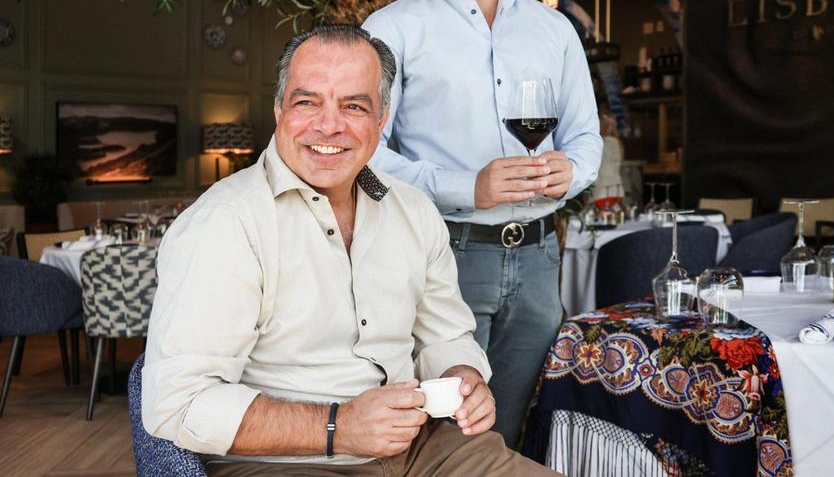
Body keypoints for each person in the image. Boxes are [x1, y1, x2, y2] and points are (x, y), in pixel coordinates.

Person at [142, 25, 559, 476]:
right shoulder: (224, 225)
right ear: (280, 108)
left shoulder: (414, 211)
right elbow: (177, 405)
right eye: (307, 101)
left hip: (425, 449)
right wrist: (338, 428)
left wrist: (464, 374)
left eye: (354, 106)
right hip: (282, 462)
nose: (329, 125)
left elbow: (445, 335)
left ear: (381, 119)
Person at [362, 0, 602, 446]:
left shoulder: (553, 29)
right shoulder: (392, 28)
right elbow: (361, 154)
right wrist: (467, 186)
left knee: (515, 428)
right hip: (445, 253)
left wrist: (567, 171)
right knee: (439, 431)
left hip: (542, 261)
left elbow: (586, 139)